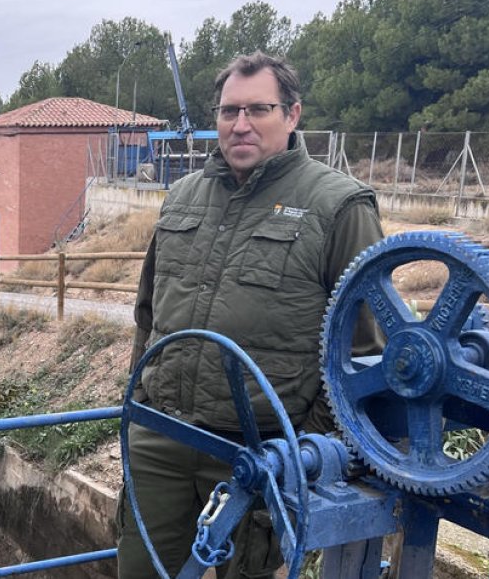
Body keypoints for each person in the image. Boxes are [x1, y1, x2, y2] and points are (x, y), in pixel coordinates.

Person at [116, 52, 384, 579]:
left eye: (258, 109)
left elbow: (363, 351)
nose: (240, 125)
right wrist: (138, 400)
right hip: (161, 440)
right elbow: (148, 314)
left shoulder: (339, 206)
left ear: (292, 114)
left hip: (260, 454)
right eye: (227, 111)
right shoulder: (183, 196)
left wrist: (303, 446)